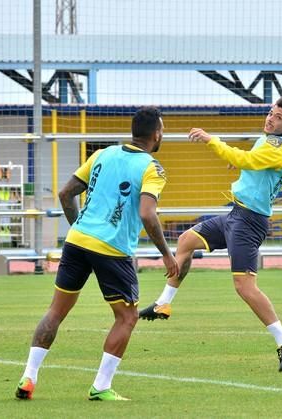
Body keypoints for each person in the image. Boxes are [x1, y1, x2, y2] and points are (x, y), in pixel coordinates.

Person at [15, 107, 178, 401]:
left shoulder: (102, 154)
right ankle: (101, 386)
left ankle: (29, 376)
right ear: (157, 134)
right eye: (162, 130)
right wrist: (166, 254)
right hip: (112, 249)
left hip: (77, 241)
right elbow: (147, 213)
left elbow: (66, 194)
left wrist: (80, 228)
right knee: (127, 317)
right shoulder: (153, 167)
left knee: (56, 311)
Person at [139, 97, 282, 372]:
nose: (270, 119)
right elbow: (252, 164)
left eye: (277, 117)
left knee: (244, 287)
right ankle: (163, 304)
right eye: (270, 113)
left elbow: (249, 159)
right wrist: (242, 166)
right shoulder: (272, 139)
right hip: (236, 214)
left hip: (250, 221)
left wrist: (210, 140)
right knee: (186, 241)